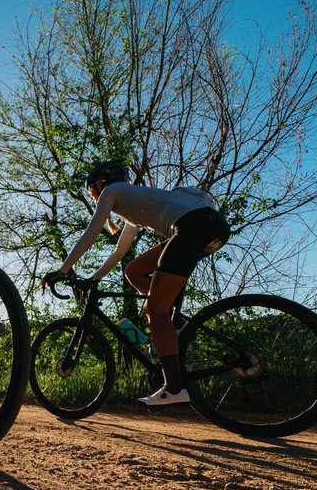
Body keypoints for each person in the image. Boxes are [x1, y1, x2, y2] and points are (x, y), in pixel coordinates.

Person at [41, 160, 231, 406]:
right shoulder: (131, 203)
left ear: (100, 183)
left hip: (192, 226)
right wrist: (93, 279)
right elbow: (119, 253)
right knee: (134, 270)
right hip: (210, 226)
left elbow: (92, 231)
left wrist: (62, 270)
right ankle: (175, 319)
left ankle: (174, 388)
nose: (93, 197)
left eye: (90, 192)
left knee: (154, 310)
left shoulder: (112, 191)